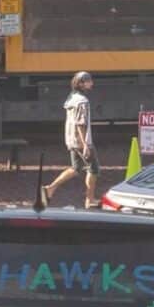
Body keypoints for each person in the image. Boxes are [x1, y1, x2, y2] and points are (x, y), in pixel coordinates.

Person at [42, 71, 98, 208]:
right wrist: (85, 145)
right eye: (89, 81)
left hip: (71, 139)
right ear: (81, 83)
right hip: (81, 141)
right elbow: (81, 123)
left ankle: (50, 189)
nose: (92, 83)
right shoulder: (83, 101)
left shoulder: (71, 98)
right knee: (93, 169)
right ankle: (89, 200)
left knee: (76, 168)